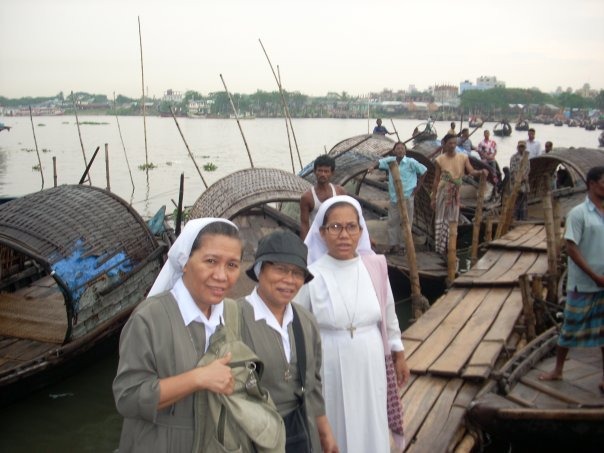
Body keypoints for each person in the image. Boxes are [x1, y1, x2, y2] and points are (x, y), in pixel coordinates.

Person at [113, 219, 245, 452]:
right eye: (211, 261)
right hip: (160, 443)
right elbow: (128, 398)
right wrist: (198, 378)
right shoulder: (149, 318)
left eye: (232, 265)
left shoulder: (232, 313)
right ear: (185, 262)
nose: (222, 275)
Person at [295, 195, 410, 453]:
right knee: (335, 419)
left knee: (370, 418)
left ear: (361, 231)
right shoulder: (310, 275)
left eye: (351, 227)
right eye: (335, 227)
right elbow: (296, 324)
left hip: (370, 359)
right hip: (329, 363)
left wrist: (398, 352)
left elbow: (389, 314)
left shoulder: (375, 267)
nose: (343, 234)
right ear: (322, 233)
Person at [240, 230, 338, 453]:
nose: (289, 280)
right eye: (280, 269)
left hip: (299, 433)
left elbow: (313, 383)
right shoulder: (234, 318)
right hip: (251, 437)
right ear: (259, 270)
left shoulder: (305, 321)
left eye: (297, 273)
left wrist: (324, 432)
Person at [539, 166, 604, 393]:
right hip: (584, 282)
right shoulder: (579, 213)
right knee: (570, 328)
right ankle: (558, 370)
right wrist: (594, 276)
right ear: (592, 184)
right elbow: (572, 247)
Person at [431, 134, 488, 255]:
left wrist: (481, 172)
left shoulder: (463, 157)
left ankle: (450, 248)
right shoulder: (439, 159)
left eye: (454, 143)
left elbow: (471, 171)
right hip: (443, 191)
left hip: (455, 192)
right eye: (450, 143)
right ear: (445, 144)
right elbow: (436, 179)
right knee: (441, 220)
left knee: (453, 220)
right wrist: (433, 198)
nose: (452, 145)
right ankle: (440, 249)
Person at [370, 141, 427, 254]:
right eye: (398, 149)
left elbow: (424, 171)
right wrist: (372, 167)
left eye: (402, 149)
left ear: (405, 151)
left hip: (407, 196)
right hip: (394, 197)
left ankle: (403, 246)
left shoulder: (411, 162)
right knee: (392, 221)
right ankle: (393, 245)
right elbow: (379, 162)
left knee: (406, 222)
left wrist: (417, 188)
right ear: (394, 151)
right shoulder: (390, 161)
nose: (400, 150)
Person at [300, 155, 346, 239]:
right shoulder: (307, 197)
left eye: (326, 171)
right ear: (314, 171)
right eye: (320, 171)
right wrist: (305, 247)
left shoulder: (340, 192)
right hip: (316, 238)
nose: (322, 174)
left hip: (336, 237)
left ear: (332, 173)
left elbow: (348, 215)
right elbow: (304, 224)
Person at [509, 140, 531, 220]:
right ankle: (515, 217)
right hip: (516, 182)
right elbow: (512, 170)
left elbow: (528, 169)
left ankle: (523, 217)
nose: (521, 148)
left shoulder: (526, 158)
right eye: (520, 147)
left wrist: (525, 177)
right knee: (516, 200)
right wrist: (518, 179)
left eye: (523, 147)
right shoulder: (514, 157)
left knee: (524, 200)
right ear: (518, 147)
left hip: (524, 182)